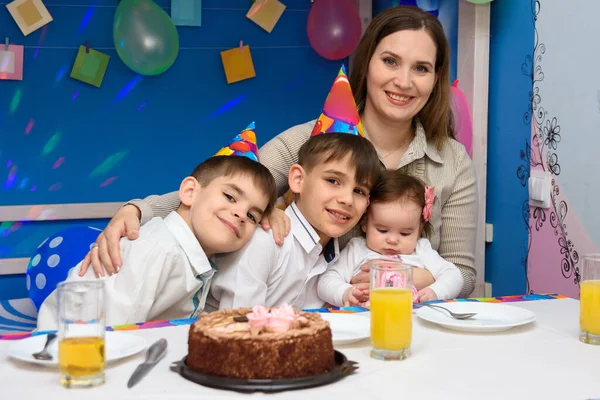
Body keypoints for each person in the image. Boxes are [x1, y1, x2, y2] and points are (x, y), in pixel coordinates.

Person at [81, 5, 477, 297]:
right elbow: (221, 192)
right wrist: (139, 209)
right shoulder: (309, 141)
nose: (403, 81)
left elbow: (462, 270)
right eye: (390, 61)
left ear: (436, 78)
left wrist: (396, 277)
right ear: (367, 64)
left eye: (421, 68)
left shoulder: (453, 161)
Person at [36, 144, 277, 329]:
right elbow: (116, 331)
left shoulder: (194, 257)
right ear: (190, 192)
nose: (241, 214)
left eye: (253, 216)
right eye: (230, 197)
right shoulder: (160, 248)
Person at [206, 132, 381, 310]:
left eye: (358, 191)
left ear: (367, 204)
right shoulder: (265, 241)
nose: (347, 200)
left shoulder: (340, 259)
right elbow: (237, 327)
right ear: (298, 180)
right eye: (333, 181)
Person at [317, 170, 463, 307]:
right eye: (382, 230)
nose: (393, 240)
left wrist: (435, 292)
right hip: (363, 321)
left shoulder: (421, 250)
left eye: (405, 233)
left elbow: (454, 275)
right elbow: (325, 281)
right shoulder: (357, 249)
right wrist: (345, 293)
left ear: (419, 230)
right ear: (364, 223)